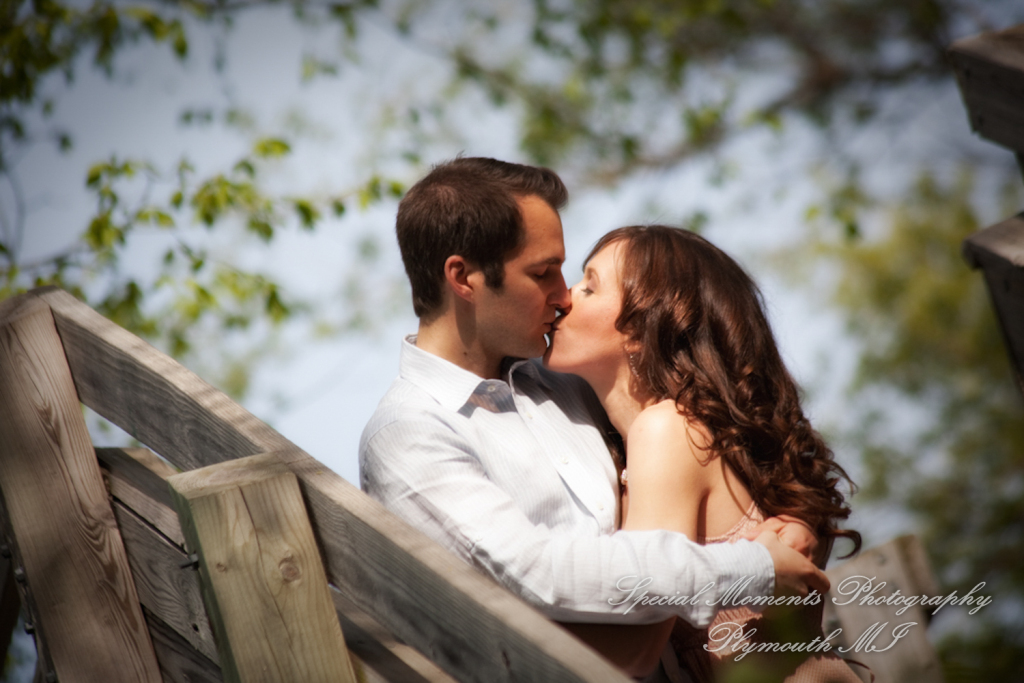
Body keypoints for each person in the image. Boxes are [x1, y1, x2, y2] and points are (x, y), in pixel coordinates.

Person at [359, 157, 829, 678]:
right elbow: (535, 572)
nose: (562, 297)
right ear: (463, 277)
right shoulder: (411, 433)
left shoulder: (569, 380)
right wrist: (754, 567)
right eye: (542, 273)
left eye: (577, 278)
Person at [544, 224, 863, 681]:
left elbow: (637, 633)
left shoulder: (668, 430)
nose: (565, 297)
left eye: (590, 286)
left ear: (641, 329)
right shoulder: (676, 438)